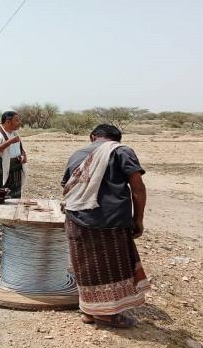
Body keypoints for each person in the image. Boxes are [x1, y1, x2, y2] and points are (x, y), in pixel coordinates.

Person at [61, 124, 148, 328]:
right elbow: (137, 187)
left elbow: (67, 186)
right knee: (112, 267)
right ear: (116, 139)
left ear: (93, 137)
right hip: (109, 221)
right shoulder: (122, 151)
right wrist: (139, 219)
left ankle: (89, 311)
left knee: (86, 267)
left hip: (75, 218)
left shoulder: (77, 154)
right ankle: (107, 315)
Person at [0, 111, 27, 199]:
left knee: (15, 198)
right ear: (8, 122)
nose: (19, 123)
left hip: (15, 171)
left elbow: (19, 147)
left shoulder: (14, 132)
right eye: (16, 120)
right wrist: (10, 142)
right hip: (0, 170)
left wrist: (23, 155)